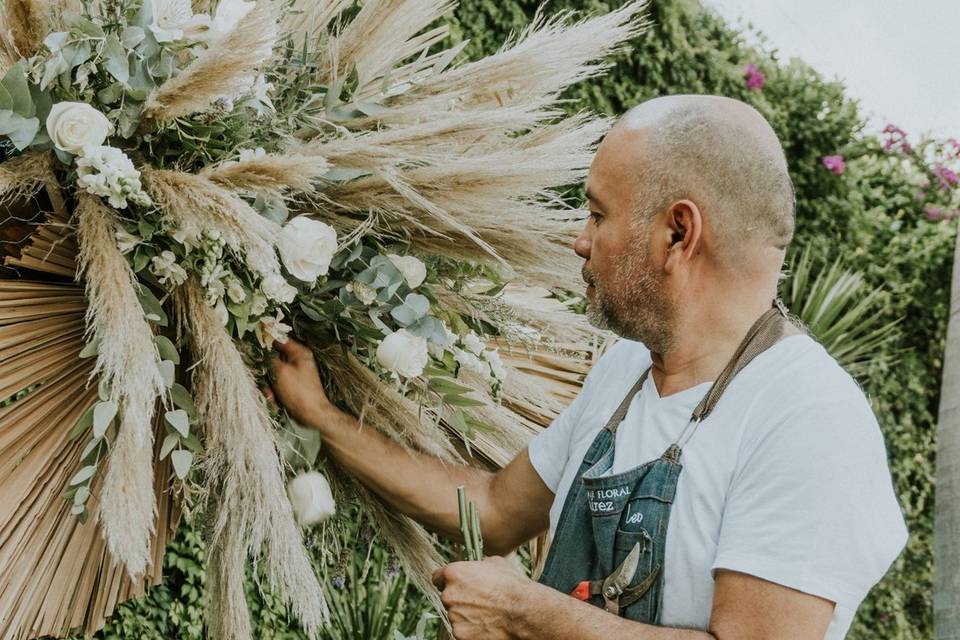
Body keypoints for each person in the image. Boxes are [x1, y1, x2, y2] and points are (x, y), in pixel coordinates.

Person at [265, 95, 907, 639]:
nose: (580, 238)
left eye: (598, 213)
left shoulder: (808, 418)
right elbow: (492, 509)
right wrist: (321, 415)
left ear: (678, 234)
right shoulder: (626, 369)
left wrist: (526, 612)